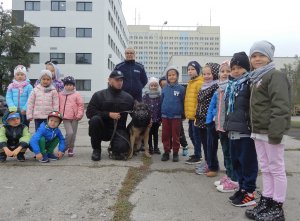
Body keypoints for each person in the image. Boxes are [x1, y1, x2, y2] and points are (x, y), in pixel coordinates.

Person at [245, 41, 290, 221]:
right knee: (265, 168)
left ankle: (277, 207)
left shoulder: (275, 75)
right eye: (254, 56)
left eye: (261, 55)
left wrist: (276, 132)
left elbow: (281, 106)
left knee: (276, 168)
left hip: (271, 131)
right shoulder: (256, 78)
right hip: (258, 130)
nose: (257, 59)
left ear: (269, 57)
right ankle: (267, 200)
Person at [223, 52, 258, 207]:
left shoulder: (249, 83)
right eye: (234, 68)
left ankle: (250, 192)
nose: (236, 71)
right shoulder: (231, 85)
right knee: (236, 161)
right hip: (232, 130)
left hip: (245, 130)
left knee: (247, 162)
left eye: (240, 67)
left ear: (246, 68)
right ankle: (242, 188)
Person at [86, 70, 134, 161]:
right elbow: (89, 112)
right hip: (102, 128)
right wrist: (108, 114)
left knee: (121, 150)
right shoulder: (98, 95)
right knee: (94, 120)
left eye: (121, 80)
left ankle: (115, 147)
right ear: (109, 80)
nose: (119, 82)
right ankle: (96, 149)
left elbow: (135, 115)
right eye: (117, 80)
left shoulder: (128, 98)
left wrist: (146, 121)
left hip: (119, 130)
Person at [206, 61, 239, 191]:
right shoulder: (218, 89)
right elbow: (213, 107)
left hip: (229, 127)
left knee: (231, 154)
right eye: (223, 71)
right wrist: (210, 120)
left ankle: (234, 179)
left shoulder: (232, 88)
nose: (225, 74)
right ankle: (229, 175)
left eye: (228, 71)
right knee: (225, 153)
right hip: (220, 126)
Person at [194, 63, 219, 176]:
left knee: (210, 144)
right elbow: (199, 103)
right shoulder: (204, 85)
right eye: (204, 74)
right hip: (200, 119)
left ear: (214, 73)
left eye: (209, 74)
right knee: (205, 143)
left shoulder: (216, 86)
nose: (206, 76)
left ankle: (212, 164)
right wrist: (196, 117)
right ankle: (207, 161)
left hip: (209, 120)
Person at [161, 67, 185, 162]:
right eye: (169, 75)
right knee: (165, 135)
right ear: (167, 77)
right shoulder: (164, 89)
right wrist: (161, 114)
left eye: (173, 75)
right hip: (165, 116)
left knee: (176, 135)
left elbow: (183, 102)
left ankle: (175, 152)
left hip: (176, 116)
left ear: (177, 76)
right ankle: (166, 152)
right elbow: (161, 101)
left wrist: (183, 114)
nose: (171, 77)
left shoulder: (181, 89)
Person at [184, 61, 204, 164]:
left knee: (196, 136)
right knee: (192, 135)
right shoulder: (190, 83)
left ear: (198, 70)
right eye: (189, 69)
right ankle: (197, 153)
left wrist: (197, 114)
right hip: (190, 116)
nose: (190, 71)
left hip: (196, 116)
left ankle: (198, 155)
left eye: (192, 69)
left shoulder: (200, 82)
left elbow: (200, 100)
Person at [59, 76, 84, 157]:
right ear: (64, 85)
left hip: (74, 118)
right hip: (65, 117)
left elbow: (80, 105)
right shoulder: (60, 94)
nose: (69, 86)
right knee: (69, 133)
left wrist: (79, 114)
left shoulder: (77, 94)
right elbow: (58, 105)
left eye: (71, 85)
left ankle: (71, 148)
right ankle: (64, 147)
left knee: (73, 134)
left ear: (74, 86)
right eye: (67, 85)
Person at [142, 77, 161, 155]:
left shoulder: (160, 96)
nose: (153, 87)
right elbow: (144, 109)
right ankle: (150, 147)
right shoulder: (145, 96)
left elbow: (160, 108)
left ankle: (156, 147)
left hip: (157, 119)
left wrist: (160, 119)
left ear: (157, 86)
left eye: (155, 85)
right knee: (149, 134)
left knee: (155, 134)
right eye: (152, 85)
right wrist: (147, 119)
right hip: (148, 120)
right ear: (149, 86)